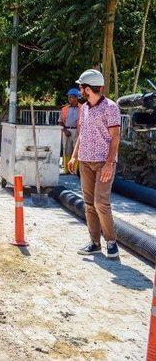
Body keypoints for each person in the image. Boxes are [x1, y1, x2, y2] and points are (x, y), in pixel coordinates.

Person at [68, 69, 121, 259]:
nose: (79, 90)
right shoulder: (85, 109)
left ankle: (111, 242)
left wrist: (108, 164)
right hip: (85, 162)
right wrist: (74, 156)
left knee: (101, 203)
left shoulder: (111, 107)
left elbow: (115, 138)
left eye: (80, 87)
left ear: (88, 88)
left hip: (103, 163)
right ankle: (95, 243)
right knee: (89, 204)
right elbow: (83, 134)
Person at [59, 88, 82, 174]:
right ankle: (66, 170)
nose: (69, 99)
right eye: (68, 97)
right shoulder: (64, 109)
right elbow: (60, 121)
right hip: (66, 131)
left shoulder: (83, 108)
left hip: (78, 131)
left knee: (77, 151)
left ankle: (75, 170)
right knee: (66, 150)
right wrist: (65, 131)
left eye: (71, 97)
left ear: (76, 97)